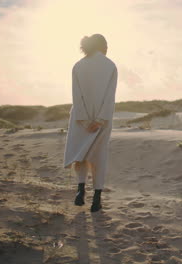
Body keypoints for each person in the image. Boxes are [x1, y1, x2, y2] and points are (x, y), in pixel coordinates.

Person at [63, 34, 118, 213]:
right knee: (99, 157)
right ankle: (96, 199)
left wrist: (85, 120)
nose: (108, 47)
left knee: (81, 154)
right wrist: (100, 120)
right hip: (102, 118)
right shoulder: (110, 65)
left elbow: (76, 96)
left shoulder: (78, 65)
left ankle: (80, 192)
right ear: (102, 45)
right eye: (106, 44)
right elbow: (110, 97)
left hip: (80, 118)